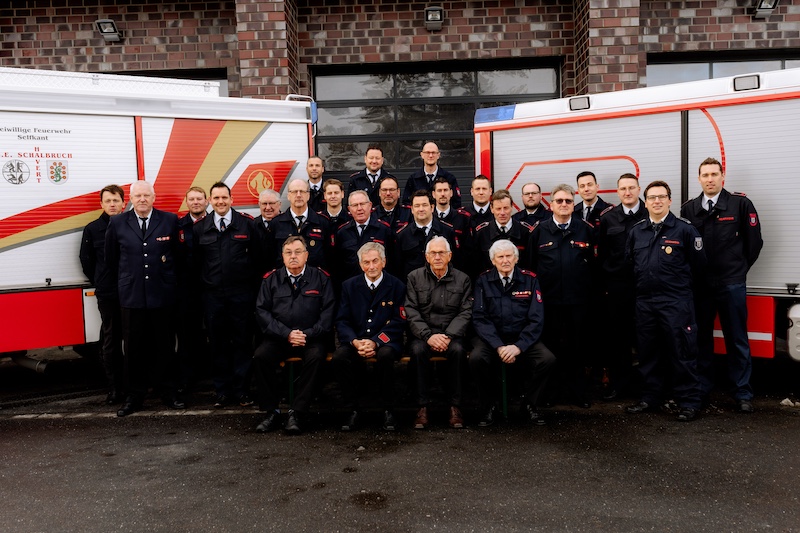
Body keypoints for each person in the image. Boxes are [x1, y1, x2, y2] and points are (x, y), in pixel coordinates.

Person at [680, 157, 763, 413]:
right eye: (705, 175)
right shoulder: (689, 209)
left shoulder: (740, 204)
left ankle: (742, 392)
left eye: (714, 174)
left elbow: (754, 243)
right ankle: (703, 389)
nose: (710, 179)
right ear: (699, 179)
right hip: (701, 286)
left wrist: (737, 270)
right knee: (701, 339)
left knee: (736, 338)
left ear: (722, 176)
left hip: (731, 283)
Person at [625, 180, 706, 422]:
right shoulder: (636, 231)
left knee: (682, 353)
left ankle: (689, 402)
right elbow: (630, 264)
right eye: (652, 197)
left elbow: (699, 267)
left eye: (662, 196)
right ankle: (650, 398)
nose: (657, 201)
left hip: (676, 302)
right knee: (648, 353)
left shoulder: (685, 230)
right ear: (646, 202)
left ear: (670, 200)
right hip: (645, 302)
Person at [104, 180, 184, 416]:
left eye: (146, 195)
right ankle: (134, 396)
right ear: (130, 199)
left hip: (162, 295)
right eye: (137, 196)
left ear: (153, 197)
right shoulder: (118, 222)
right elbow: (111, 259)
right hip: (132, 296)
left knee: (165, 346)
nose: (142, 199)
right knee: (133, 349)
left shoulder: (169, 220)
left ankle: (168, 391)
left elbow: (178, 256)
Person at [253, 236, 335, 434]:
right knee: (260, 356)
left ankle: (297, 412)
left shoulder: (321, 278)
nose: (293, 256)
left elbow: (328, 314)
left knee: (316, 358)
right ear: (282, 256)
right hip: (280, 337)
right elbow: (262, 312)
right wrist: (287, 334)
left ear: (306, 255)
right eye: (288, 253)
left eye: (298, 252)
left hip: (311, 338)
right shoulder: (271, 279)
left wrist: (306, 334)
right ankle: (271, 411)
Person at [470, 239, 556, 427]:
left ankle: (529, 404)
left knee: (547, 359)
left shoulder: (530, 280)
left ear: (516, 259)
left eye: (509, 256)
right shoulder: (483, 281)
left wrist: (519, 346)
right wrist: (498, 346)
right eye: (500, 257)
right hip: (492, 339)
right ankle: (489, 405)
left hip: (521, 338)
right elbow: (480, 318)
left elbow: (536, 318)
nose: (505, 260)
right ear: (493, 261)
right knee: (476, 358)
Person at [527, 184, 596, 408]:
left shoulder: (585, 230)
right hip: (549, 303)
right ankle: (551, 393)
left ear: (573, 204)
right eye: (559, 201)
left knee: (578, 348)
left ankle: (578, 393)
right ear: (551, 204)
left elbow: (594, 265)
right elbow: (530, 267)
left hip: (579, 302)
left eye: (568, 201)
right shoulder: (539, 231)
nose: (564, 204)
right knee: (551, 348)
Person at [193, 182, 260, 408]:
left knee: (242, 342)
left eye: (224, 197)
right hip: (213, 297)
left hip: (241, 295)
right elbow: (195, 264)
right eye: (216, 198)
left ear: (232, 199)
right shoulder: (200, 228)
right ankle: (222, 391)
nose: (220, 202)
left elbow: (258, 259)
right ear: (210, 201)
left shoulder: (247, 224)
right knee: (218, 343)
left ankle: (242, 390)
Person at [331, 242, 406, 432]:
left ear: (384, 262)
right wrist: (355, 342)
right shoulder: (349, 286)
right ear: (360, 264)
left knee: (386, 356)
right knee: (339, 358)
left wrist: (376, 342)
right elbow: (342, 320)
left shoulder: (396, 285)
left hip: (386, 340)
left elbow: (399, 321)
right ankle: (352, 409)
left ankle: (388, 409)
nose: (371, 266)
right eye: (366, 262)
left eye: (375, 261)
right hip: (357, 339)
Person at [406, 236, 472, 429]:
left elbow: (466, 311)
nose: (437, 257)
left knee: (458, 351)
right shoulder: (414, 277)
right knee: (417, 351)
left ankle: (455, 406)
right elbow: (411, 310)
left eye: (441, 253)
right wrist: (428, 336)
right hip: (423, 335)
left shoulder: (463, 279)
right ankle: (422, 407)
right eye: (433, 253)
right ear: (426, 257)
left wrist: (448, 335)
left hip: (451, 335)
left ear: (449, 256)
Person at [596, 174, 647, 399]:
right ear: (617, 192)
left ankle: (648, 387)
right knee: (619, 338)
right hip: (618, 288)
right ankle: (620, 385)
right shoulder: (608, 218)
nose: (627, 192)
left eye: (631, 187)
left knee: (647, 337)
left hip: (646, 287)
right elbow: (602, 255)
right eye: (623, 188)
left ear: (639, 189)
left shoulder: (651, 213)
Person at [79, 184, 125, 405]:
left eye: (116, 200)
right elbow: (86, 259)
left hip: (132, 291)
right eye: (108, 201)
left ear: (123, 203)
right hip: (108, 293)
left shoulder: (132, 225)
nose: (112, 204)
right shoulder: (92, 229)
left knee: (136, 339)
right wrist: (100, 280)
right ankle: (115, 388)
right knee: (111, 341)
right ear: (101, 204)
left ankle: (139, 385)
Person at [176, 186, 209, 394]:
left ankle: (214, 375)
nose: (196, 202)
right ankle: (188, 379)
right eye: (192, 199)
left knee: (216, 333)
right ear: (187, 202)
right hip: (187, 290)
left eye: (199, 198)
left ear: (207, 201)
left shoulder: (215, 223)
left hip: (211, 287)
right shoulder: (179, 226)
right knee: (187, 335)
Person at [270, 178, 332, 271]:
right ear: (288, 196)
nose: (298, 195)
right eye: (295, 192)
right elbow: (271, 256)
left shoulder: (322, 222)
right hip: (284, 278)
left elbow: (329, 256)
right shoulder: (276, 223)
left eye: (302, 191)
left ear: (308, 195)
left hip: (315, 277)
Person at [393, 189, 457, 279]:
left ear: (432, 207)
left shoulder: (447, 231)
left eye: (424, 205)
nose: (421, 209)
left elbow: (455, 262)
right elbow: (398, 268)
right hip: (413, 285)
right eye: (417, 206)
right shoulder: (402, 235)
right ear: (412, 209)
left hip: (442, 283)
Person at [334, 190, 394, 281]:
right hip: (351, 285)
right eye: (355, 205)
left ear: (370, 205)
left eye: (362, 204)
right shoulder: (342, 232)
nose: (359, 208)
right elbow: (338, 264)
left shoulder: (384, 230)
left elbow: (392, 261)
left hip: (379, 283)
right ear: (349, 209)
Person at [472, 189, 532, 276]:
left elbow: (530, 263)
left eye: (506, 208)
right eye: (498, 209)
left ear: (512, 207)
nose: (502, 213)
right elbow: (476, 264)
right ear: (492, 209)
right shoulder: (481, 233)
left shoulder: (525, 231)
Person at [402, 141, 462, 208]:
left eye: (433, 153)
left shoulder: (449, 178)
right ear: (422, 155)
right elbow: (407, 203)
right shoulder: (413, 179)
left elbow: (456, 203)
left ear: (438, 155)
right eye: (427, 152)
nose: (430, 156)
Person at [432, 176, 472, 272]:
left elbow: (469, 250)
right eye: (439, 191)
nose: (443, 194)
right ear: (433, 194)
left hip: (458, 271)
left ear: (451, 193)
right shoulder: (429, 219)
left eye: (445, 190)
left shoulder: (463, 218)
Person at [254, 188, 281, 274]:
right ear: (259, 204)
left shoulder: (288, 223)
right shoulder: (252, 225)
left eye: (272, 203)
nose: (268, 208)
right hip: (258, 276)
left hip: (282, 275)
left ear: (279, 204)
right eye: (264, 204)